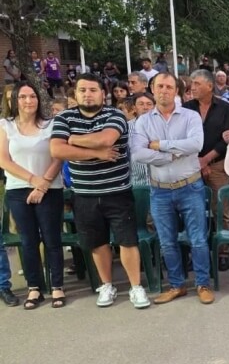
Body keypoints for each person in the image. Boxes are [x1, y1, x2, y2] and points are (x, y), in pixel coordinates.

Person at [49, 73, 150, 308]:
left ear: (103, 94)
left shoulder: (114, 115)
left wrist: (72, 139)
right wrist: (95, 153)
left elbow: (106, 139)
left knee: (127, 241)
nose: (88, 94)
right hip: (84, 194)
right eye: (82, 90)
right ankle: (107, 285)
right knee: (97, 242)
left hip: (117, 191)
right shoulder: (64, 117)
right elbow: (57, 150)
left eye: (93, 90)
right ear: (75, 94)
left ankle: (136, 287)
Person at [130, 72, 214, 305]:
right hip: (159, 191)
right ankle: (177, 285)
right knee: (167, 241)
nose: (164, 91)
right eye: (160, 86)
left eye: (169, 87)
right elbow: (138, 154)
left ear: (176, 91)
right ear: (152, 89)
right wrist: (171, 155)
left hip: (190, 187)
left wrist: (160, 145)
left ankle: (203, 284)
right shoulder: (143, 121)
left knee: (198, 239)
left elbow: (195, 144)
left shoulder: (190, 116)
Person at [0, 82, 64, 308]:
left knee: (52, 239)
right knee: (28, 241)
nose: (28, 101)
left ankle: (57, 286)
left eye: (32, 96)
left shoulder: (51, 125)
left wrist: (42, 184)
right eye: (23, 97)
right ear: (14, 101)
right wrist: (32, 180)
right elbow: (3, 160)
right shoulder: (5, 125)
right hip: (18, 190)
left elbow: (58, 156)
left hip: (50, 188)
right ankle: (34, 288)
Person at [183, 69, 229, 271]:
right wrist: (196, 161)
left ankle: (223, 252)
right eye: (192, 83)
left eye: (197, 83)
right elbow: (182, 138)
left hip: (218, 164)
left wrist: (206, 160)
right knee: (192, 210)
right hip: (190, 165)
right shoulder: (186, 109)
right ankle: (194, 252)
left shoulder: (225, 108)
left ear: (210, 86)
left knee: (221, 209)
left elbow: (227, 138)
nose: (193, 87)